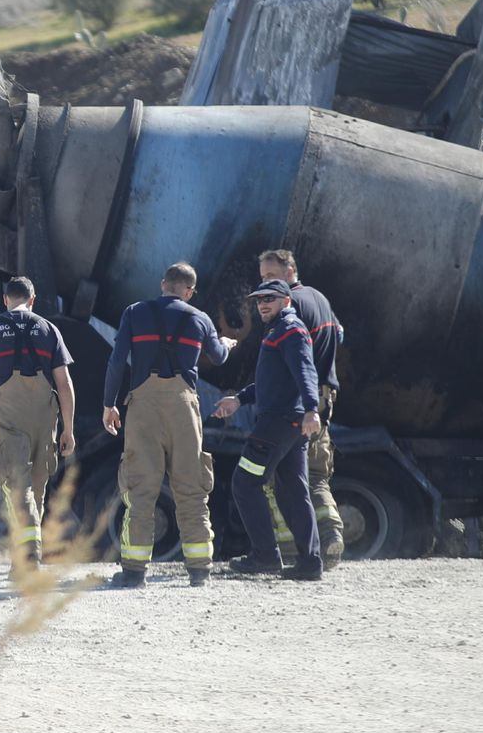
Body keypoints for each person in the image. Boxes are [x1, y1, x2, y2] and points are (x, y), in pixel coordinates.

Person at [102, 262, 237, 588]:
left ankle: (134, 572)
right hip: (183, 407)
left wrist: (109, 405)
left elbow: (117, 361)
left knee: (140, 488)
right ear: (190, 291)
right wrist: (227, 344)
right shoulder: (199, 318)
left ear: (163, 284)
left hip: (143, 407)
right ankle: (199, 570)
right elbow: (217, 357)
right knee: (191, 486)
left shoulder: (134, 312)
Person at [214, 279, 324, 581]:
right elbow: (270, 382)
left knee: (245, 482)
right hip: (289, 422)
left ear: (286, 301)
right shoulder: (278, 331)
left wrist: (313, 409)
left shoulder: (290, 330)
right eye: (260, 299)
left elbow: (305, 370)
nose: (263, 303)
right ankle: (310, 562)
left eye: (270, 299)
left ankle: (265, 555)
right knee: (292, 490)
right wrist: (240, 399)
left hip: (279, 422)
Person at [0, 276, 76, 575]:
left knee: (18, 487)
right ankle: (26, 558)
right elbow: (64, 384)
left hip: (9, 417)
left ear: (5, 300)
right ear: (33, 299)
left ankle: (28, 556)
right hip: (44, 416)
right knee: (37, 489)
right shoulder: (48, 329)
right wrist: (68, 428)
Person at [257, 249, 346, 566]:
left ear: (290, 269)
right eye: (263, 275)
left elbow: (297, 359)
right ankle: (331, 535)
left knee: (284, 474)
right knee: (316, 472)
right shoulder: (319, 299)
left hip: (298, 400)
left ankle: (295, 548)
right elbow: (340, 334)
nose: (265, 282)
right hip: (324, 395)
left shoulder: (290, 308)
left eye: (270, 275)